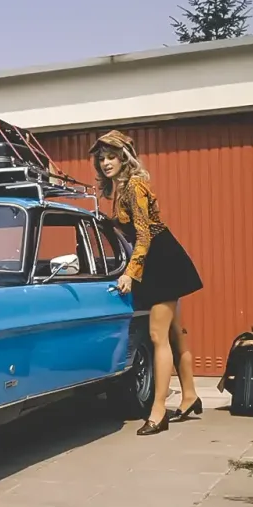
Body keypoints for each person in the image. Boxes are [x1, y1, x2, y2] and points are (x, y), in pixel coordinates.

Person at [89, 130, 204, 436]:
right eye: (102, 158)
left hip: (161, 260)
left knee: (157, 336)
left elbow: (143, 235)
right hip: (156, 259)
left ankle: (158, 410)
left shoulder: (135, 186)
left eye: (111, 157)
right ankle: (190, 395)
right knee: (175, 334)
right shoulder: (121, 188)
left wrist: (129, 272)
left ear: (124, 158)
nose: (105, 162)